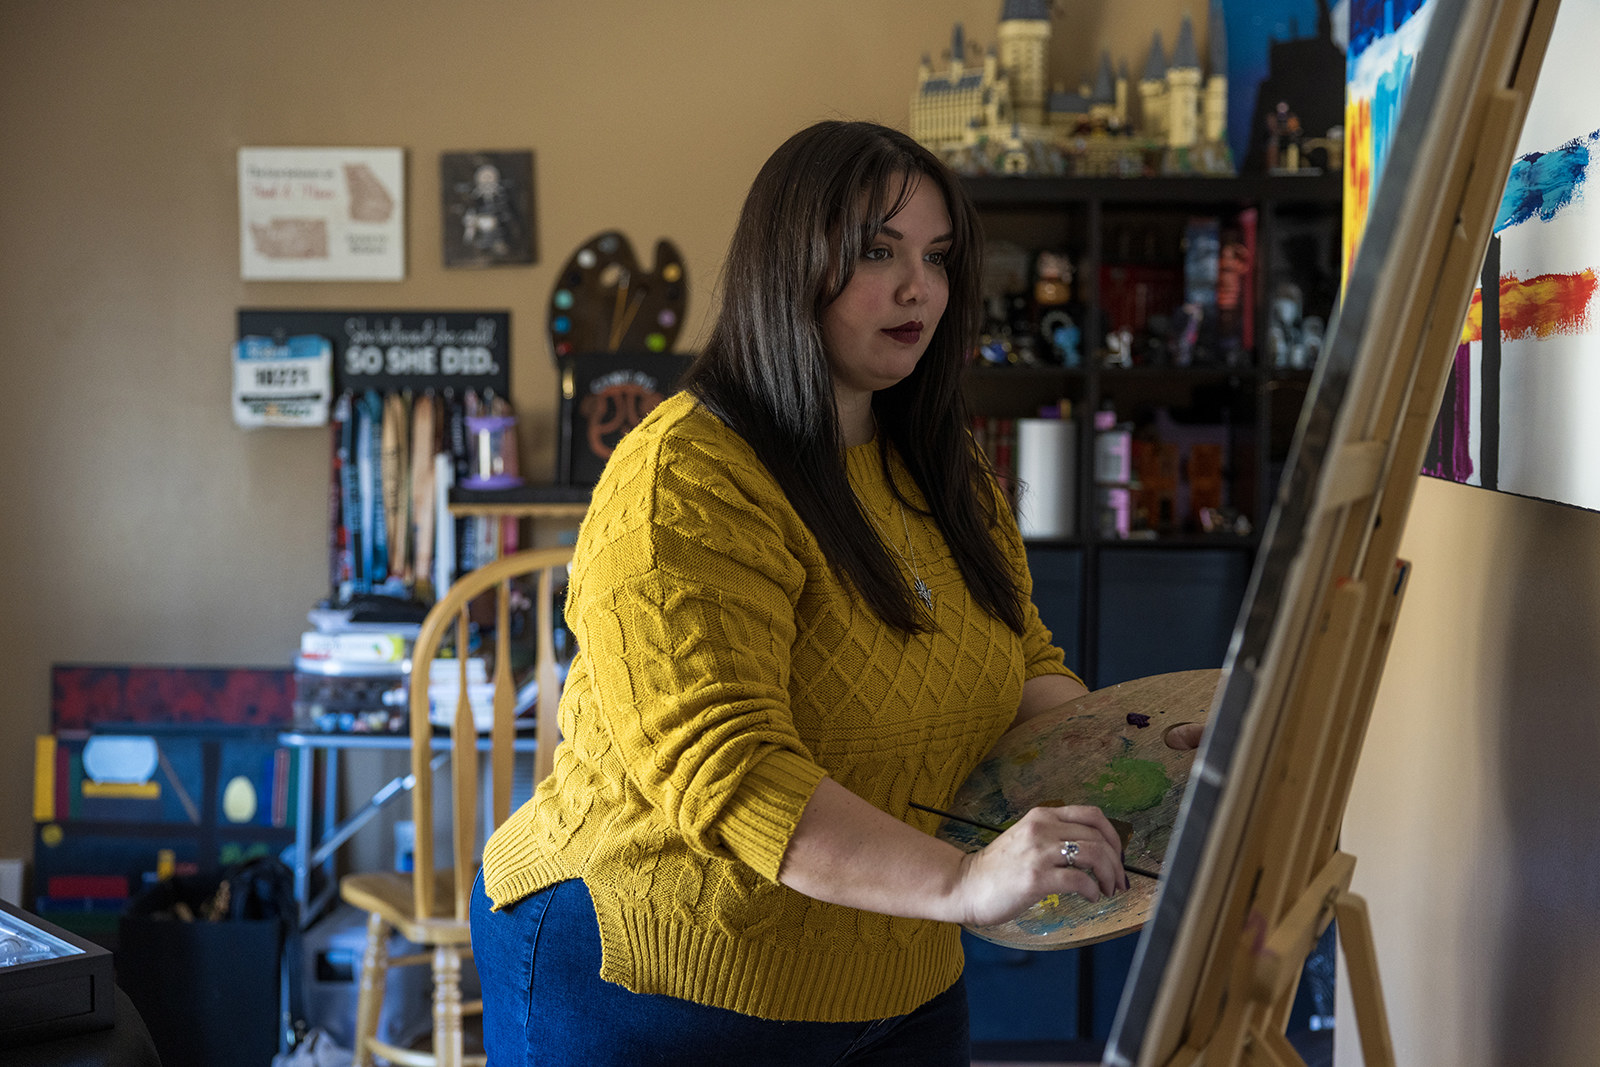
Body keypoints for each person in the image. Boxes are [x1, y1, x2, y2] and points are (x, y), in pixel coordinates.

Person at [471, 120, 1184, 1066]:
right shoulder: (686, 474)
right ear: (789, 262)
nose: (917, 286)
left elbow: (1022, 673)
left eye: (936, 257)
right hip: (658, 968)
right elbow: (727, 768)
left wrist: (1133, 748)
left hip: (897, 960)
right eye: (876, 252)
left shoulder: (946, 471)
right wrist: (965, 881)